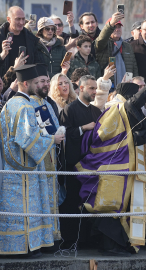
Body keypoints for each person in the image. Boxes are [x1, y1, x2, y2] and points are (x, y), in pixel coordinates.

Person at [77, 73, 146, 256]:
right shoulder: (117, 108)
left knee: (115, 209)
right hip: (111, 168)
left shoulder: (116, 110)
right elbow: (112, 135)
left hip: (118, 167)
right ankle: (109, 246)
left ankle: (116, 245)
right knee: (109, 207)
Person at [0, 64, 65, 256]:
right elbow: (27, 139)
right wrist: (53, 139)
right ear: (25, 83)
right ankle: (26, 247)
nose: (39, 86)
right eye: (36, 82)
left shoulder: (9, 103)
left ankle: (11, 246)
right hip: (25, 168)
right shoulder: (25, 106)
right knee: (27, 208)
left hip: (9, 165)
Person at [58, 75, 102, 248]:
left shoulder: (96, 111)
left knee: (89, 202)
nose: (94, 91)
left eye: (95, 88)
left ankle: (87, 239)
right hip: (74, 165)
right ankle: (70, 240)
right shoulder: (69, 109)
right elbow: (64, 134)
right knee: (72, 201)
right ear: (81, 88)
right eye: (91, 88)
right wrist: (83, 128)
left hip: (92, 165)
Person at [28, 64, 62, 245]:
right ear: (33, 83)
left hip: (51, 157)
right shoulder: (31, 104)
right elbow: (40, 133)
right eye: (41, 81)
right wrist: (53, 138)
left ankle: (52, 235)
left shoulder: (47, 103)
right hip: (40, 159)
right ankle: (45, 238)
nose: (45, 84)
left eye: (48, 81)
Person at [0, 6, 41, 78]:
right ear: (9, 19)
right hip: (2, 83)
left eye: (23, 19)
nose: (21, 22)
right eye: (18, 19)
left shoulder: (31, 38)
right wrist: (2, 55)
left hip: (25, 83)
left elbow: (38, 63)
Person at [95, 13, 139, 87]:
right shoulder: (103, 45)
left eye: (119, 27)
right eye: (114, 27)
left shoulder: (127, 46)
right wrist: (111, 24)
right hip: (109, 85)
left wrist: (136, 84)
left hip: (127, 85)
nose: (117, 29)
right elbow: (101, 40)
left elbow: (134, 67)